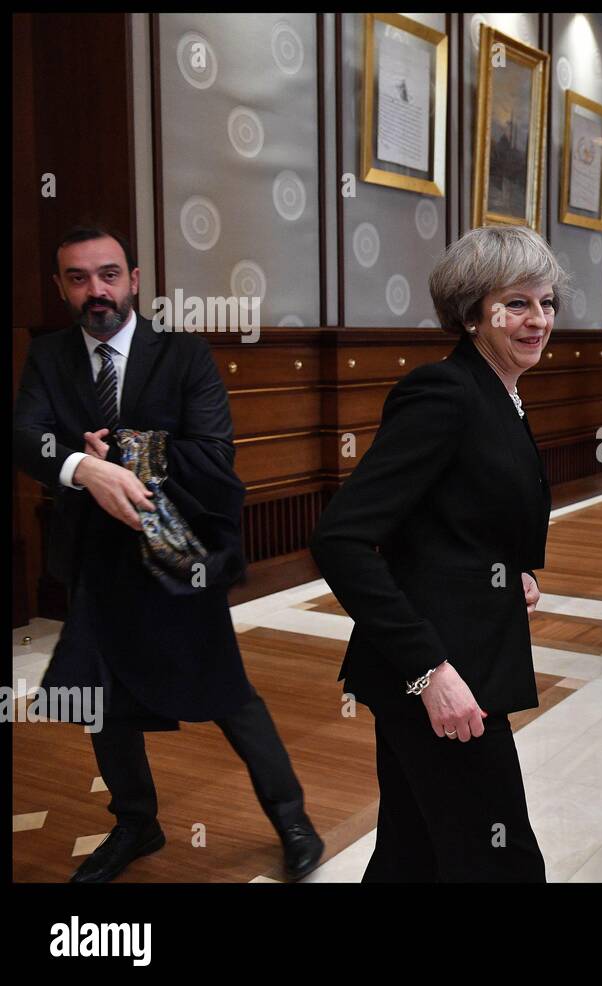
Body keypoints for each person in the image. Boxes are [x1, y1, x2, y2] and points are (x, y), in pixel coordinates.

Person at [13, 224, 323, 883]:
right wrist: (80, 468)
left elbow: (213, 457)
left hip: (178, 555)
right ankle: (136, 823)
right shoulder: (48, 356)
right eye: (77, 278)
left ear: (132, 279)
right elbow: (26, 439)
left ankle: (292, 818)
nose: (95, 290)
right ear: (61, 288)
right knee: (100, 696)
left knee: (226, 691)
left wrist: (125, 457)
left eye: (107, 274)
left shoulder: (183, 355)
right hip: (94, 561)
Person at [310, 225, 561, 882]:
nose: (538, 320)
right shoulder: (445, 394)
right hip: (441, 679)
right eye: (517, 303)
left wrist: (509, 575)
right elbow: (341, 538)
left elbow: (449, 524)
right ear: (473, 312)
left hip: (465, 655)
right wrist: (429, 673)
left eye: (547, 301)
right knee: (502, 863)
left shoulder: (498, 391)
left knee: (411, 853)